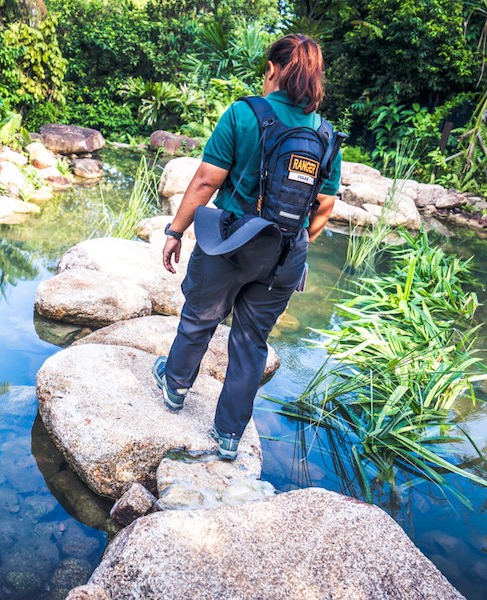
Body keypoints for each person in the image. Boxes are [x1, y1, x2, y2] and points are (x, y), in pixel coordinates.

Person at [152, 33, 342, 460]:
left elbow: (205, 181)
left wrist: (176, 231)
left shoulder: (243, 114)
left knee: (200, 318)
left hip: (231, 244)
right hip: (284, 258)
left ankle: (176, 387)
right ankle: (229, 436)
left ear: (274, 70)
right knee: (251, 341)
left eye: (266, 69)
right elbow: (325, 207)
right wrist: (291, 243)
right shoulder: (326, 134)